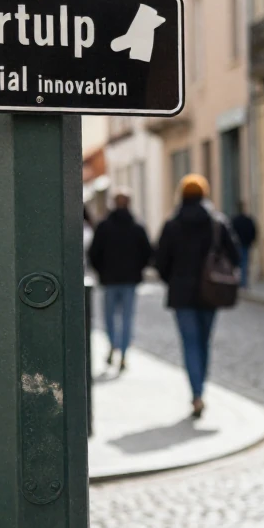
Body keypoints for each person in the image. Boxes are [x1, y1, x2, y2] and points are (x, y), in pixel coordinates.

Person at [155, 174, 240, 418]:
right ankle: (201, 388)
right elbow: (234, 256)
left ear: (181, 195)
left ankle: (196, 394)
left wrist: (174, 279)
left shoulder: (172, 224)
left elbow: (160, 262)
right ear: (204, 194)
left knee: (190, 344)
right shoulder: (217, 222)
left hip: (182, 295)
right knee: (204, 342)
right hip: (211, 293)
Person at [89, 189, 153, 372]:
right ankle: (123, 352)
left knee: (110, 317)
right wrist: (137, 269)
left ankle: (113, 345)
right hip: (129, 280)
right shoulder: (137, 226)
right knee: (126, 317)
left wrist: (101, 271)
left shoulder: (104, 226)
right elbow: (147, 253)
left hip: (109, 279)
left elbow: (94, 253)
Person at [230, 202, 258, 288]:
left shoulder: (234, 220)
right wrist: (251, 241)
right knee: (245, 263)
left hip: (237, 245)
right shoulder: (248, 220)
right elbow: (254, 231)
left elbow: (230, 233)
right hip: (246, 244)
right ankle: (243, 282)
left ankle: (239, 282)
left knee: (237, 264)